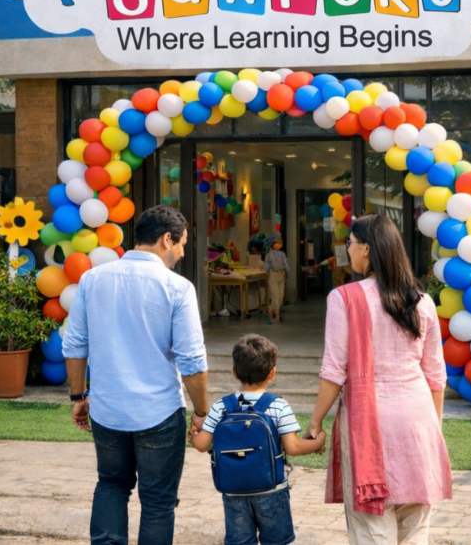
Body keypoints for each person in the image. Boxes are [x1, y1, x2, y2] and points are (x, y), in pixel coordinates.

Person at [61, 205, 209, 545]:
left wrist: (78, 396)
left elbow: (75, 345)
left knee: (111, 485)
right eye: (182, 244)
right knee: (157, 501)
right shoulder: (177, 287)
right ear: (167, 239)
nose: (182, 253)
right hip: (159, 411)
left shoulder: (92, 279)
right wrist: (202, 411)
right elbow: (192, 360)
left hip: (107, 409)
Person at [307, 215, 452, 545]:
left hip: (368, 425)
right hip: (418, 421)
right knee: (415, 525)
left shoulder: (344, 298)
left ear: (366, 249)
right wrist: (435, 428)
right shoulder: (423, 302)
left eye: (350, 244)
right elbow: (435, 376)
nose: (348, 250)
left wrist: (315, 423)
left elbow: (334, 372)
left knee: (372, 527)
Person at [190, 334, 326, 545]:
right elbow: (293, 447)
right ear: (272, 372)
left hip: (233, 491)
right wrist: (319, 441)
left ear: (234, 372)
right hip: (272, 490)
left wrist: (193, 435)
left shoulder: (221, 407)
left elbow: (201, 445)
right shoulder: (278, 405)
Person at [263, 238, 289, 325]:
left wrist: (287, 271)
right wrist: (263, 270)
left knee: (281, 295)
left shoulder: (282, 253)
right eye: (276, 243)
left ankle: (270, 309)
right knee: (276, 295)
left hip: (281, 274)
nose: (279, 245)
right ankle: (276, 315)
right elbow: (266, 265)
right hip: (273, 274)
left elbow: (285, 263)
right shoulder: (269, 254)